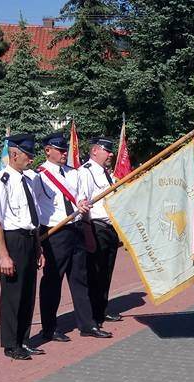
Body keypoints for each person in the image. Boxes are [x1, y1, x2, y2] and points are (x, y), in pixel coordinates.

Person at [34, 133, 108, 342]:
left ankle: (87, 324)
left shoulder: (74, 173)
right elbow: (35, 206)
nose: (64, 153)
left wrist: (82, 205)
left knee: (80, 279)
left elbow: (80, 197)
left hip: (75, 229)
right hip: (55, 233)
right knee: (52, 282)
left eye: (65, 149)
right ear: (48, 150)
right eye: (59, 150)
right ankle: (49, 328)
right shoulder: (39, 176)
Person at [0, 133, 44, 360]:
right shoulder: (1, 180)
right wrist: (4, 255)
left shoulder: (28, 180)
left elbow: (34, 218)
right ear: (14, 154)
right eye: (28, 155)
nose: (31, 160)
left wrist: (39, 248)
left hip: (30, 240)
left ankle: (24, 339)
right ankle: (11, 344)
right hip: (14, 241)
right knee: (13, 294)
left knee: (29, 294)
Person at [81, 137, 125, 330]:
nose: (111, 154)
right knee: (95, 272)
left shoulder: (107, 174)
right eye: (107, 151)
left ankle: (101, 309)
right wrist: (88, 232)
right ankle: (92, 314)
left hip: (110, 227)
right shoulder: (86, 172)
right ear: (95, 151)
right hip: (96, 227)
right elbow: (84, 203)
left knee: (106, 271)